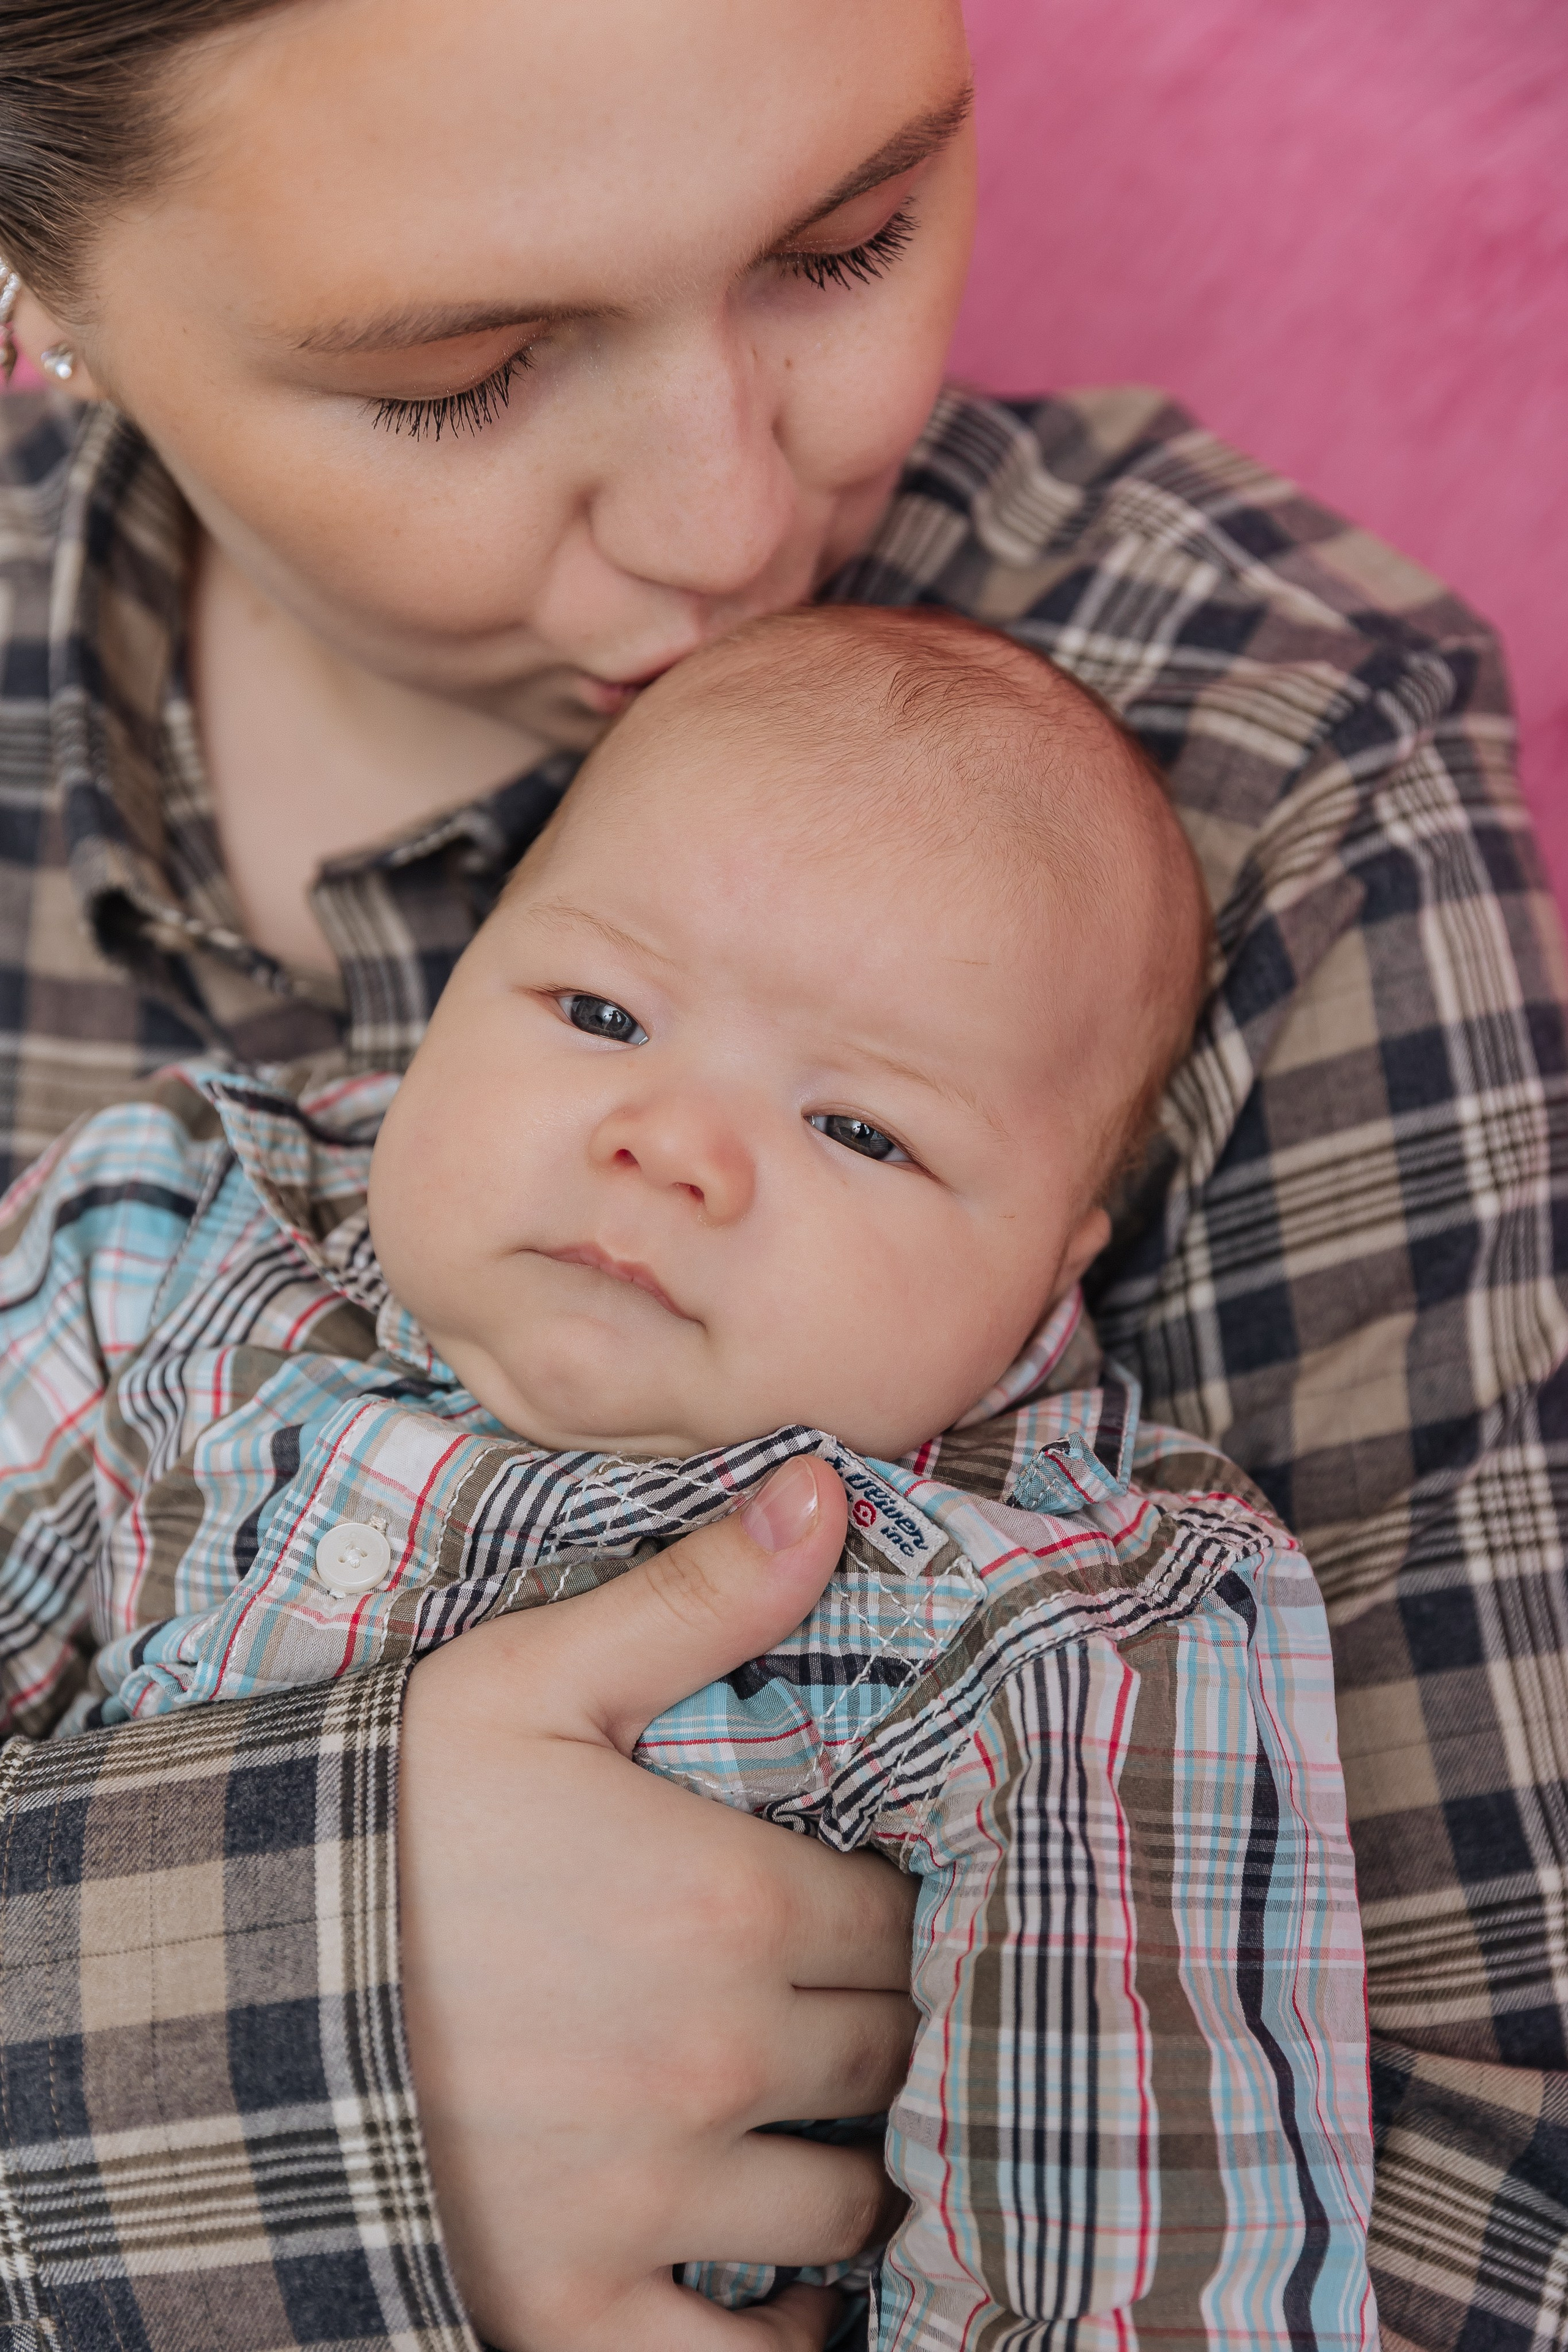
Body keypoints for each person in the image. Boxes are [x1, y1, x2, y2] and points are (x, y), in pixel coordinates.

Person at [0, 1, 1562, 2347]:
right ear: (32, 284)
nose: (733, 525)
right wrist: (233, 2029)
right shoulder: (151, 1249)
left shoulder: (1261, 751)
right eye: (457, 378)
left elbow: (1475, 2190)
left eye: (849, 240)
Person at [0, 606, 1374, 2346]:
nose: (672, 1146)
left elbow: (1127, 2264)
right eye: (600, 1010)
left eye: (862, 1128)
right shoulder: (168, 1235)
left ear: (1052, 1268)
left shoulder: (1080, 1621)